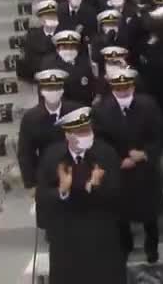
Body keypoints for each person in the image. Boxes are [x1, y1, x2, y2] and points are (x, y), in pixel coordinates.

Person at [36, 107, 126, 284]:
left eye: (88, 130)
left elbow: (118, 193)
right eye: (80, 132)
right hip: (66, 237)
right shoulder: (52, 157)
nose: (86, 135)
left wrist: (95, 187)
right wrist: (62, 191)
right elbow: (42, 197)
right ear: (68, 135)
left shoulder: (106, 153)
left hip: (101, 234)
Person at [91, 68, 163, 263]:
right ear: (112, 88)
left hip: (144, 168)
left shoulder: (148, 105)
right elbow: (99, 141)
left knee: (149, 213)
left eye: (126, 87)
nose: (123, 91)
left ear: (133, 86)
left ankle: (152, 247)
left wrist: (145, 154)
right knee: (121, 214)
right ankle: (125, 246)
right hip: (119, 170)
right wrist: (117, 160)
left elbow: (159, 135)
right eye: (118, 88)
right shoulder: (100, 110)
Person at [18, 69, 80, 230]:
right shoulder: (31, 118)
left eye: (56, 88)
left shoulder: (76, 111)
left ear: (62, 89)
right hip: (47, 173)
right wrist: (30, 184)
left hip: (76, 167)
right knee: (53, 220)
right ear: (42, 91)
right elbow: (26, 153)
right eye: (49, 88)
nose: (53, 92)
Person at [16, 0, 60, 82]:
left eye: (52, 15)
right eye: (46, 15)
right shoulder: (32, 36)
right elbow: (29, 61)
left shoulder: (65, 33)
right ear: (41, 19)